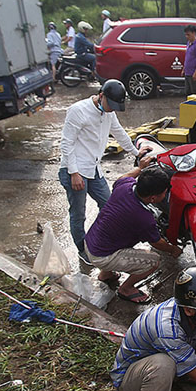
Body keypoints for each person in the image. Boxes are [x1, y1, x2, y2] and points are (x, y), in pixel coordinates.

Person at [59, 79, 137, 262]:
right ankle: (82, 251)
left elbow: (119, 133)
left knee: (109, 205)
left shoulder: (108, 113)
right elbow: (66, 143)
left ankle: (100, 241)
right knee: (78, 214)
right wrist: (74, 173)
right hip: (75, 171)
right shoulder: (78, 111)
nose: (112, 109)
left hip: (93, 168)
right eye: (111, 105)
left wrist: (137, 153)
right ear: (101, 95)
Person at [84, 162, 182, 303]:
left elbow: (122, 177)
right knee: (153, 261)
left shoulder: (125, 186)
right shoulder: (144, 218)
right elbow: (157, 243)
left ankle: (106, 274)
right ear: (153, 198)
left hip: (91, 242)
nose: (166, 194)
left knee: (117, 236)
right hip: (102, 256)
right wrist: (173, 249)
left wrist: (140, 168)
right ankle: (126, 288)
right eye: (165, 192)